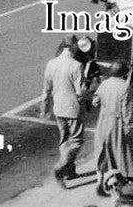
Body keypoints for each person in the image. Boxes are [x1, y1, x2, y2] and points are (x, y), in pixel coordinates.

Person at [40, 42, 85, 183]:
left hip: (58, 108)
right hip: (72, 108)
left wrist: (44, 109)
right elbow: (79, 92)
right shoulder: (76, 65)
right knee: (76, 141)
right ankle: (61, 166)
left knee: (64, 140)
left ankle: (69, 172)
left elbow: (46, 90)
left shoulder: (51, 64)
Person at [92, 61, 133, 192]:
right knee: (121, 151)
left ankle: (100, 177)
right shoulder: (125, 87)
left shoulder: (104, 84)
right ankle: (122, 179)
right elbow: (126, 112)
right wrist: (128, 127)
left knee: (103, 150)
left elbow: (95, 102)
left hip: (103, 120)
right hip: (116, 122)